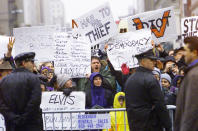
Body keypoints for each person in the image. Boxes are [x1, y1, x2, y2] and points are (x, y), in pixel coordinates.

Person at [125, 49, 171, 131]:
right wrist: (168, 125)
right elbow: (160, 105)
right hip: (151, 125)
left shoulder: (130, 80)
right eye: (151, 60)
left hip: (134, 125)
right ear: (142, 61)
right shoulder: (150, 79)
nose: (154, 62)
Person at [0, 52, 43, 131]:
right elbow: (35, 102)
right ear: (24, 63)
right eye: (32, 62)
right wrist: (23, 119)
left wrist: (14, 118)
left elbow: (1, 104)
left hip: (12, 125)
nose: (34, 65)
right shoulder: (34, 78)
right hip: (31, 124)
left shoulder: (3, 81)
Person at [175, 36, 198, 131]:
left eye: (186, 50)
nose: (183, 54)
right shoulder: (192, 72)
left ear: (195, 53)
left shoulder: (194, 75)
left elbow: (191, 109)